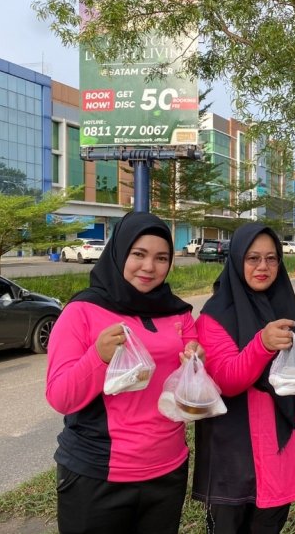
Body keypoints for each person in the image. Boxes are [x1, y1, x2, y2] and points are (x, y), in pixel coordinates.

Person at [46, 211, 199, 534]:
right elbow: (61, 397)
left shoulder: (178, 312)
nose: (149, 267)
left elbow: (192, 374)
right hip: (98, 473)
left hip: (167, 469)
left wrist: (197, 361)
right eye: (138, 254)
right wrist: (98, 357)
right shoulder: (82, 312)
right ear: (118, 253)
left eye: (161, 258)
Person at [192, 222, 295, 534]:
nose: (263, 266)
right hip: (233, 453)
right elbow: (226, 380)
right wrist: (261, 344)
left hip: (277, 449)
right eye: (253, 258)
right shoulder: (215, 315)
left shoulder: (284, 305)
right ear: (236, 260)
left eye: (271, 258)